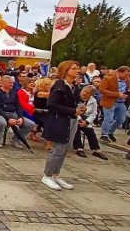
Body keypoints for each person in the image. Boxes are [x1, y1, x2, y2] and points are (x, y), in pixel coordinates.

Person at [41, 61, 85, 191]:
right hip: (59, 121)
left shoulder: (72, 86)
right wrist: (72, 111)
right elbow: (52, 104)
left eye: (77, 68)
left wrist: (79, 110)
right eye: (74, 68)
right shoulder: (59, 85)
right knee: (57, 149)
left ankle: (55, 174)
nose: (77, 70)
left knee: (65, 149)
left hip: (70, 120)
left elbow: (72, 104)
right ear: (66, 70)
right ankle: (47, 175)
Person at [0, 75, 35, 149]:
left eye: (12, 82)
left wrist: (20, 117)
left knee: (30, 124)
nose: (11, 84)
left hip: (11, 112)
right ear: (3, 83)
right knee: (2, 123)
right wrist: (8, 119)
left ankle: (15, 139)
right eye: (9, 83)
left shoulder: (14, 93)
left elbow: (18, 106)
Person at [73, 86, 108, 160]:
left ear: (91, 94)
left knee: (90, 131)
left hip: (86, 120)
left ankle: (96, 150)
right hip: (75, 119)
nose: (84, 93)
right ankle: (79, 148)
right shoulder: (75, 98)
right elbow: (73, 110)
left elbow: (94, 114)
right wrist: (79, 120)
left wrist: (87, 121)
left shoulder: (93, 101)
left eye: (87, 92)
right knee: (76, 129)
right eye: (84, 91)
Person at [99, 66, 130, 142]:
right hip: (110, 101)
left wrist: (129, 90)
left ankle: (110, 131)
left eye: (128, 75)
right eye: (125, 75)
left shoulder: (127, 79)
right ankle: (104, 134)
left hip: (121, 102)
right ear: (119, 72)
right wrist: (117, 94)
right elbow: (102, 90)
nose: (127, 77)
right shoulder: (108, 79)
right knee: (109, 119)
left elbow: (128, 87)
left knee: (121, 119)